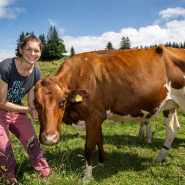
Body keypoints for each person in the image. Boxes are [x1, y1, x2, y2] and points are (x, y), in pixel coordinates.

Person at [0, 35, 51, 184]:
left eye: (37, 50)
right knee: (4, 150)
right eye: (28, 49)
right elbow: (2, 102)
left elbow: (30, 101)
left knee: (33, 143)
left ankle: (45, 173)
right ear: (21, 49)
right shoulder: (6, 67)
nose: (32, 54)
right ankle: (8, 177)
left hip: (17, 111)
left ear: (41, 53)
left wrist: (34, 109)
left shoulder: (36, 73)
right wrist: (28, 111)